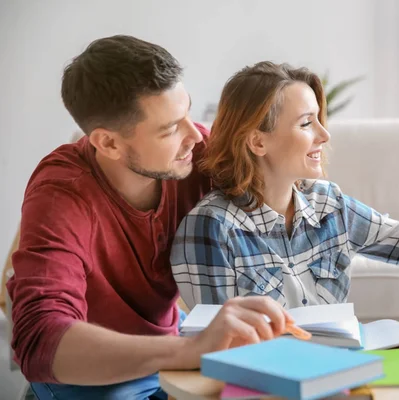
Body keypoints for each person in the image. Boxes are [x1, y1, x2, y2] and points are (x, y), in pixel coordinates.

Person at [7, 35, 292, 400]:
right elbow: (40, 339)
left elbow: (288, 196)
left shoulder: (196, 153)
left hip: (169, 339)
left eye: (187, 112)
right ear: (108, 143)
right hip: (88, 375)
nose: (194, 134)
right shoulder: (62, 194)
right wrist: (192, 350)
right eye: (170, 128)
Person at [170, 61, 399, 309]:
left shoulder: (329, 204)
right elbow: (221, 340)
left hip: (336, 349)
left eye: (318, 119)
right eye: (307, 123)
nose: (324, 135)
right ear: (257, 142)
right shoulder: (212, 227)